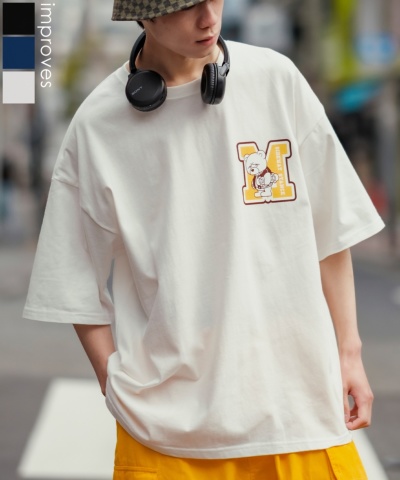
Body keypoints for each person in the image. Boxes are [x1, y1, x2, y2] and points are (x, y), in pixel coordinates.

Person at [23, 0, 385, 478]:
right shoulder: (99, 124)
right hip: (164, 437)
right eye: (187, 6)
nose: (209, 18)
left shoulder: (276, 80)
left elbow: (331, 228)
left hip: (300, 412)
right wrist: (112, 382)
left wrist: (349, 353)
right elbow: (71, 276)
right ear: (144, 14)